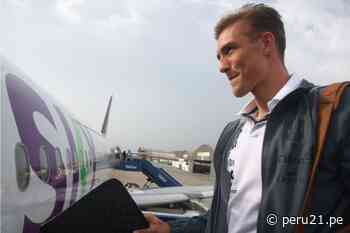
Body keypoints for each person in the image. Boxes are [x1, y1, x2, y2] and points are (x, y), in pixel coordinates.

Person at [134, 3, 350, 233]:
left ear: (267, 43)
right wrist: (169, 230)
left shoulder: (334, 108)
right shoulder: (231, 134)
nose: (221, 67)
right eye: (219, 56)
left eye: (229, 50)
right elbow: (220, 220)